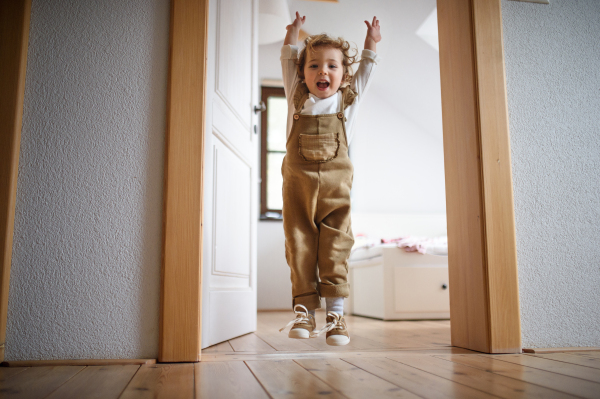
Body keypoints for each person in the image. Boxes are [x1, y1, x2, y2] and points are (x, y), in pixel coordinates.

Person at [278, 12, 381, 346]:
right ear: (302, 73)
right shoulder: (296, 95)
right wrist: (292, 36)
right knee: (299, 242)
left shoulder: (346, 102)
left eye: (332, 65)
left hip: (337, 187)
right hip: (298, 183)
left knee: (336, 245)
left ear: (343, 75)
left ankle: (336, 317)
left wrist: (370, 44)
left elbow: (366, 71)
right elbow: (287, 59)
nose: (323, 71)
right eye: (314, 65)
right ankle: (304, 311)